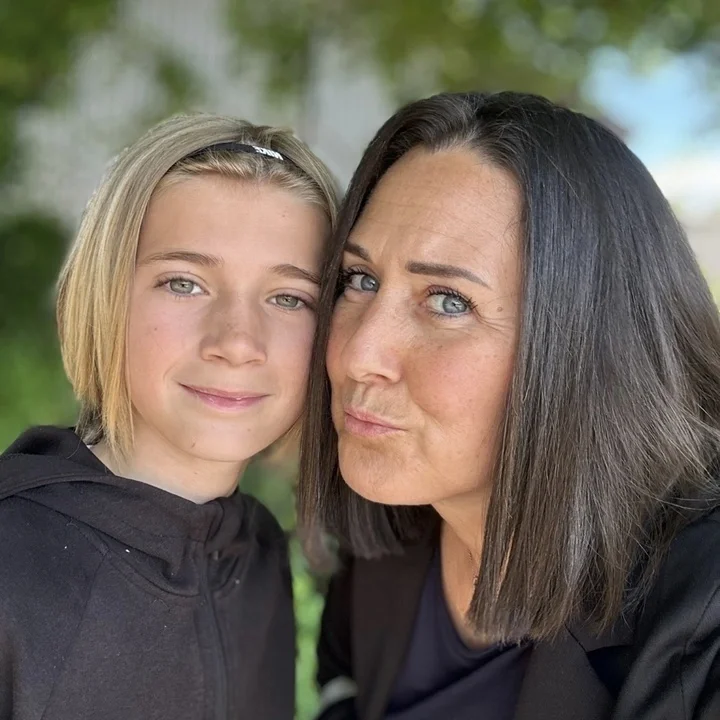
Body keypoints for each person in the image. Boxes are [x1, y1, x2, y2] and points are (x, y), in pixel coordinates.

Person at [298, 91, 720, 720]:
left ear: (592, 343)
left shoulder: (704, 614)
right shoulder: (389, 537)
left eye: (448, 301)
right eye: (361, 280)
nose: (359, 355)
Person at [0, 113, 338, 720]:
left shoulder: (260, 556)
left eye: (289, 298)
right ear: (104, 293)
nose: (237, 342)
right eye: (184, 283)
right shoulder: (11, 561)